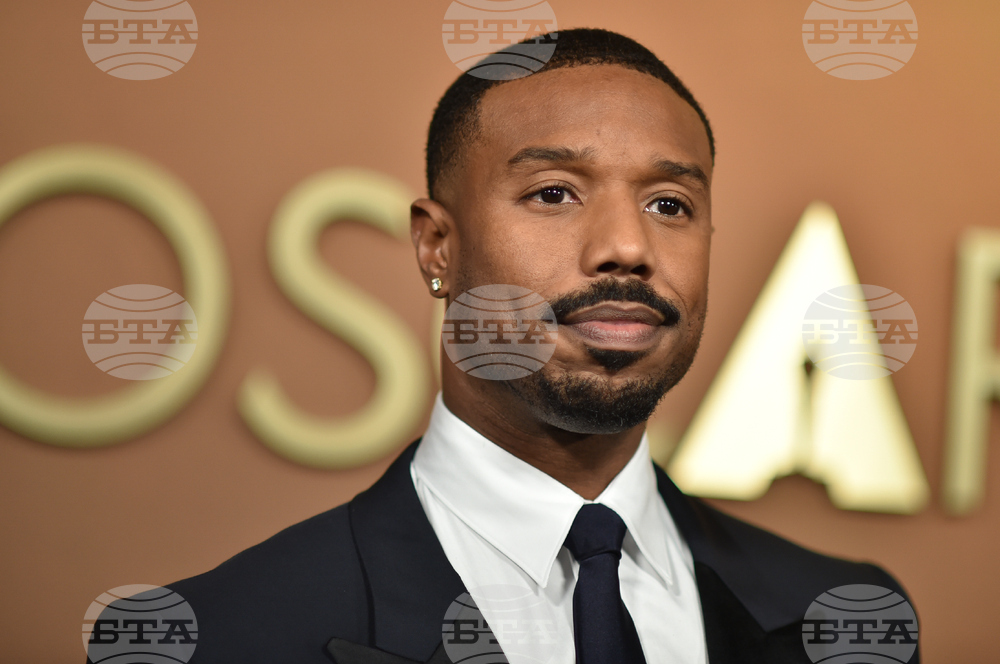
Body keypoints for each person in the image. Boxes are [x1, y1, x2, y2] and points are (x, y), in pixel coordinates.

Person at [88, 28, 918, 664]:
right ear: (436, 248)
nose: (627, 246)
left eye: (670, 204)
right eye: (554, 193)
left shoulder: (844, 617)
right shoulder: (217, 636)